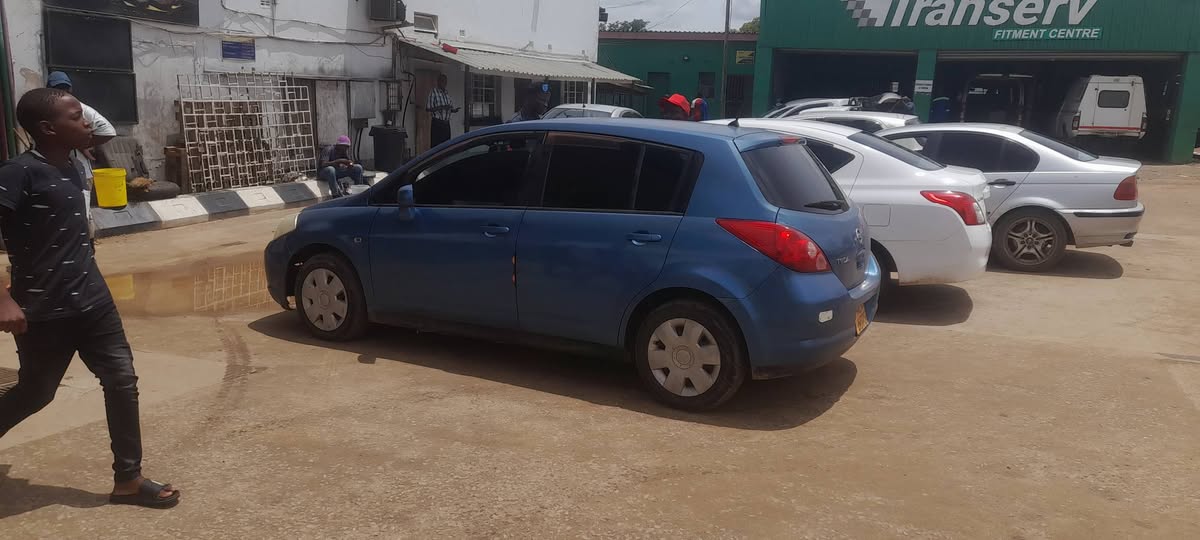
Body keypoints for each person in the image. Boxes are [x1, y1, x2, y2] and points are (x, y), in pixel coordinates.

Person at [0, 88, 179, 508]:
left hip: (93, 299)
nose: (87, 123)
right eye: (75, 117)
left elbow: (101, 130)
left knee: (122, 381)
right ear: (47, 128)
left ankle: (128, 479)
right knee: (37, 391)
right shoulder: (17, 172)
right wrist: (2, 299)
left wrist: (73, 107)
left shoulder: (77, 164)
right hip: (43, 308)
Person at [47, 71, 115, 237]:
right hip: (50, 171)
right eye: (57, 89)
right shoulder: (43, 111)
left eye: (64, 88)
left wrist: (81, 143)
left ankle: (87, 248)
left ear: (70, 89)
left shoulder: (79, 108)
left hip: (79, 171)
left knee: (81, 212)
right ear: (48, 89)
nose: (62, 92)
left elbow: (108, 131)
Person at [426, 74, 459, 147]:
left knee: (446, 146)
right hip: (437, 123)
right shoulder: (433, 92)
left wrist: (453, 110)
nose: (444, 83)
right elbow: (428, 108)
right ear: (438, 82)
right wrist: (443, 107)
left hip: (446, 124)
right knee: (436, 146)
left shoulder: (446, 93)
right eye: (442, 81)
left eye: (445, 81)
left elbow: (448, 108)